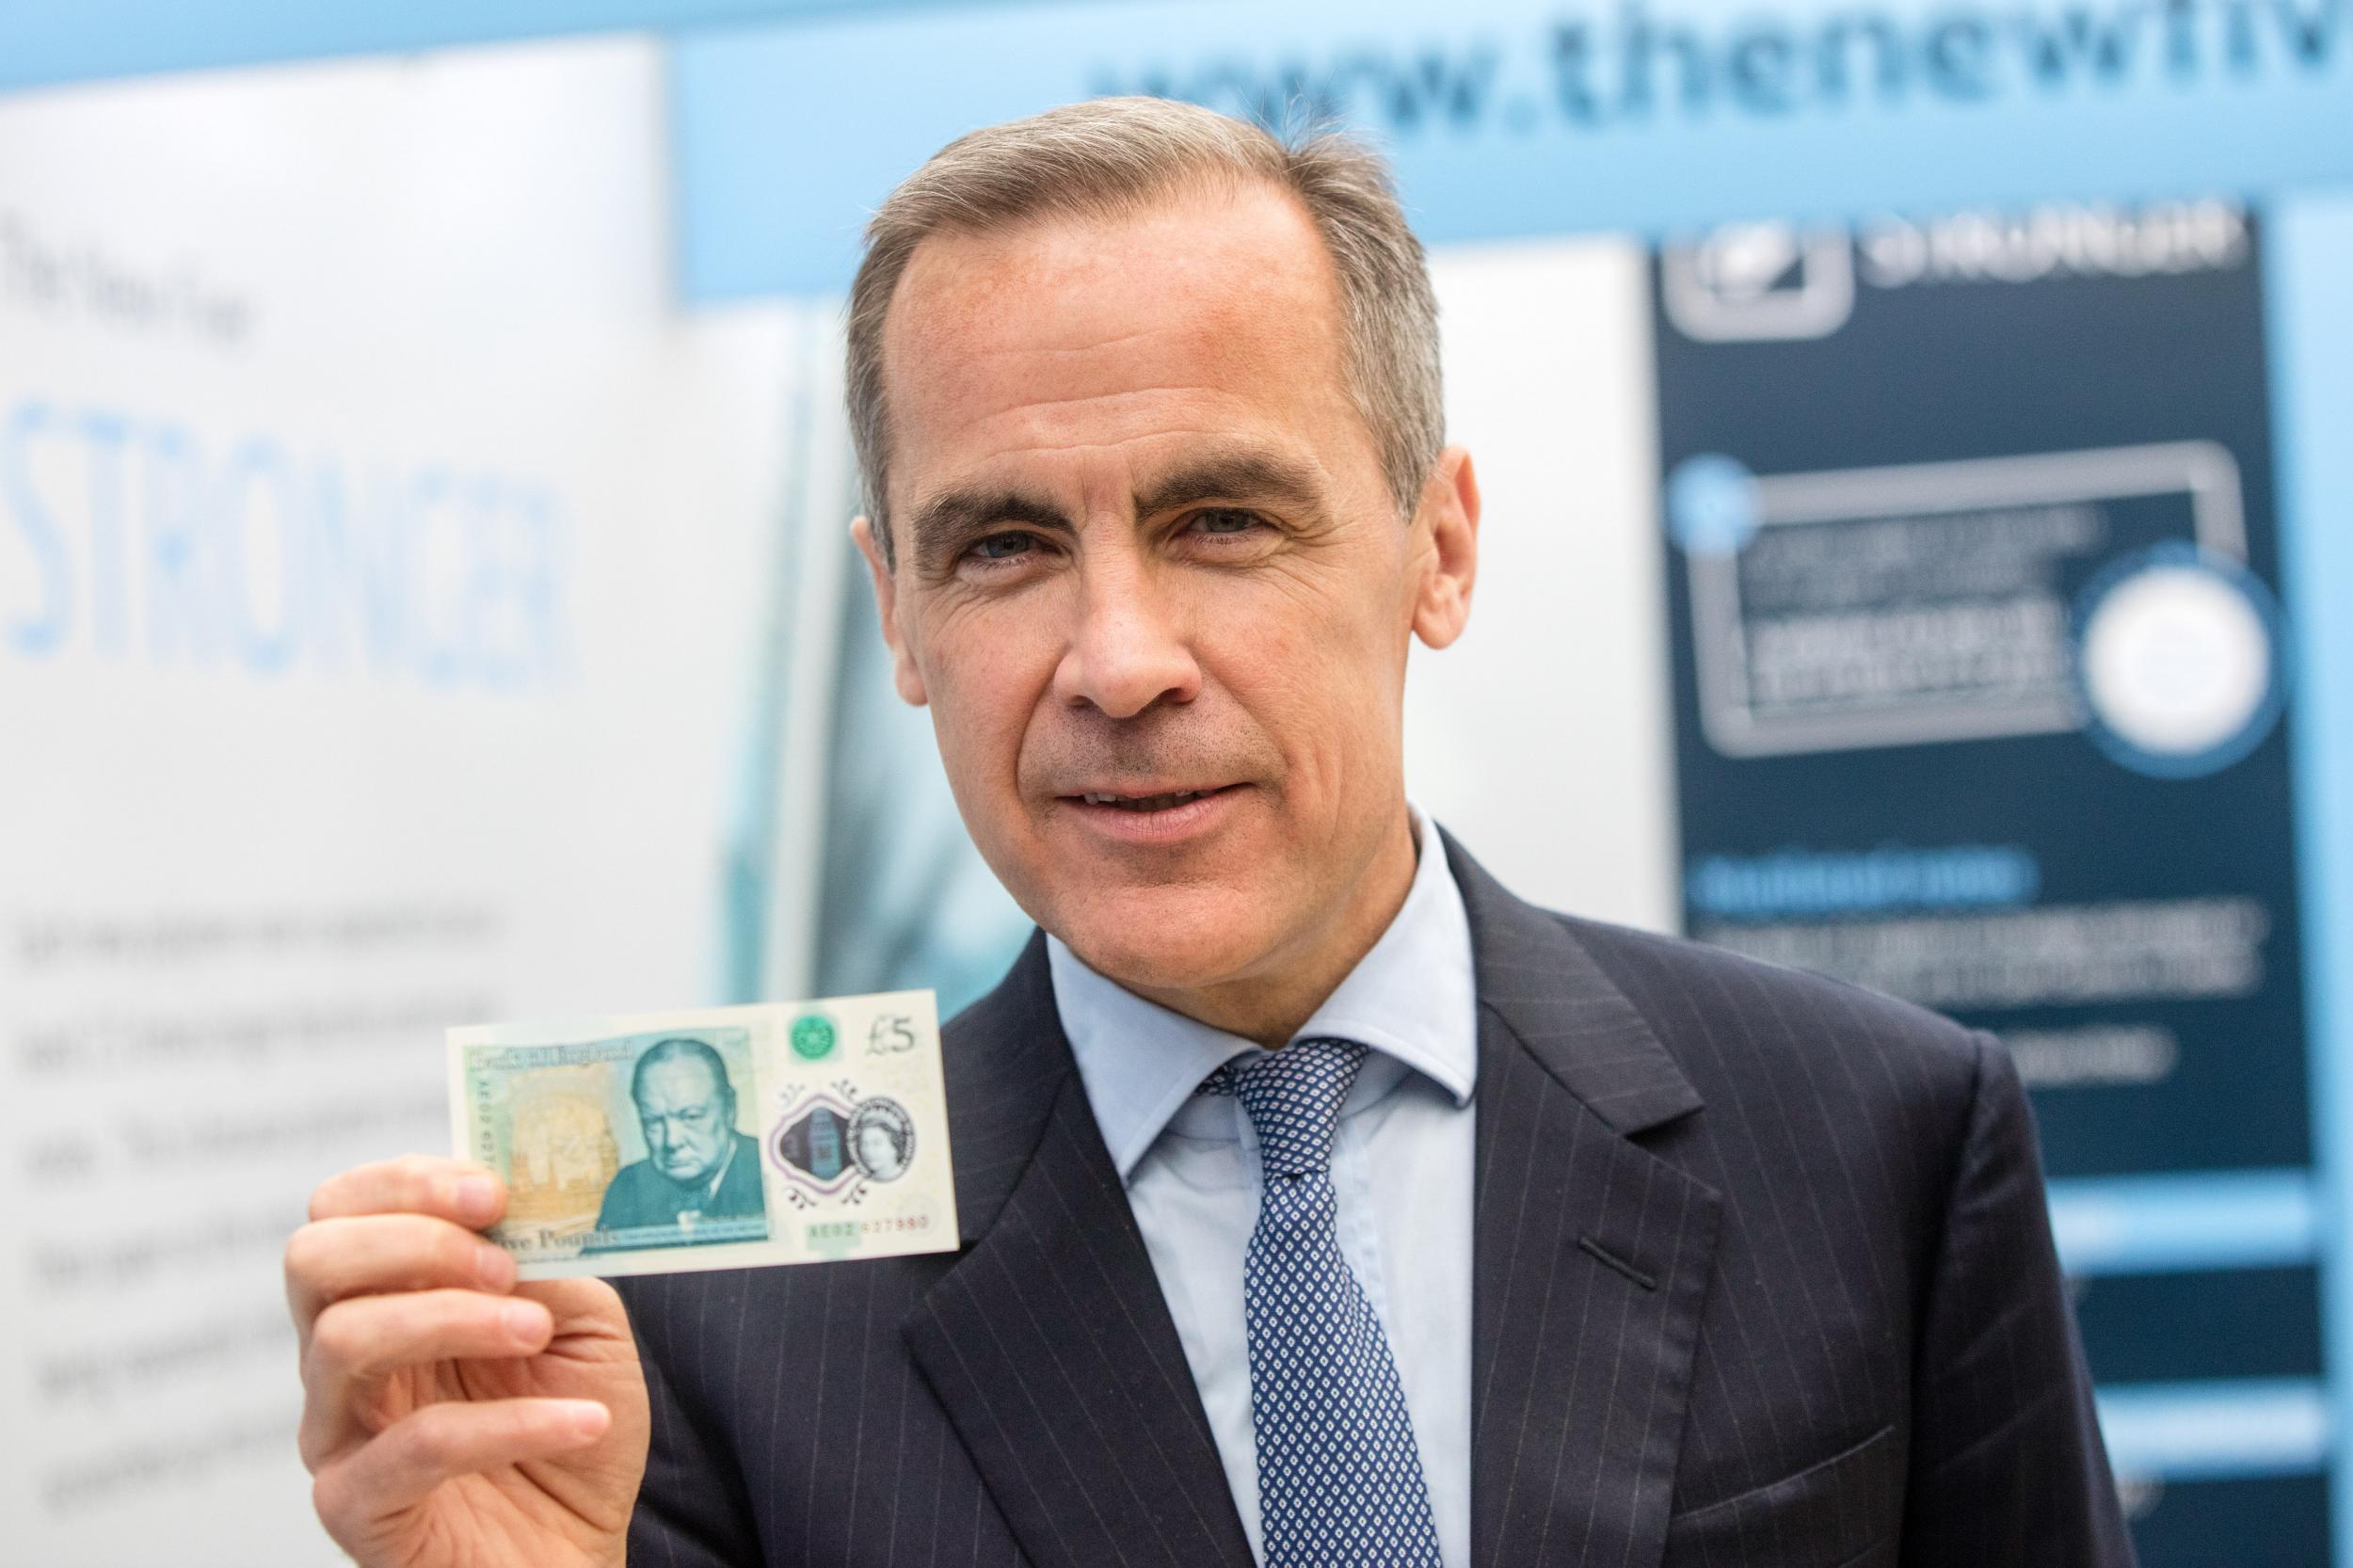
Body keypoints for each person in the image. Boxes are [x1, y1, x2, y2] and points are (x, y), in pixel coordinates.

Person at [283, 98, 2135, 1568]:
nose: (1114, 659)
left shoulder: (1877, 1139)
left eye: (1222, 520)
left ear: (1438, 544)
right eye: (1001, 545)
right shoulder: (711, 1321)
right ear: (897, 617)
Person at [588, 1037, 762, 1240]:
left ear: (729, 1109)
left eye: (691, 1117)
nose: (672, 1141)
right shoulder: (627, 1186)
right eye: (653, 1121)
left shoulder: (770, 1172)